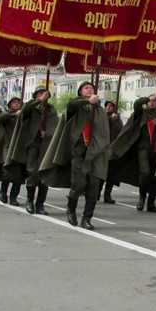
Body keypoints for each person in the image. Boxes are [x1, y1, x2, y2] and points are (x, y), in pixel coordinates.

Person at [40, 81, 110, 229]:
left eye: (91, 88)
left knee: (93, 187)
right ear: (80, 92)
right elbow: (71, 106)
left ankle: (87, 218)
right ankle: (71, 209)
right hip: (78, 150)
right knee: (78, 184)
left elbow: (103, 132)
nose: (89, 89)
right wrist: (86, 101)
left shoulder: (100, 110)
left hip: (95, 153)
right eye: (86, 88)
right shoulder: (77, 105)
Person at [109, 92, 156, 213]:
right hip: (143, 147)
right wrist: (150, 97)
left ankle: (151, 202)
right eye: (150, 101)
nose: (151, 103)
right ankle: (142, 198)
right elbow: (137, 104)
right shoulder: (141, 114)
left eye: (154, 101)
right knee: (144, 172)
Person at [6, 85, 59, 215]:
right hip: (33, 144)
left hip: (46, 144)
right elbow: (24, 111)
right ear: (35, 95)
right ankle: (30, 201)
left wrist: (47, 133)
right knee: (33, 173)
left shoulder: (51, 109)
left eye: (44, 93)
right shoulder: (31, 106)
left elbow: (55, 125)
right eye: (39, 93)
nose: (42, 95)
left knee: (44, 175)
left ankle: (40, 204)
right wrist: (39, 101)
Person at [101, 100, 124, 203]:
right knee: (99, 173)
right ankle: (95, 193)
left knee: (110, 174)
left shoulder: (118, 120)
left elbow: (120, 132)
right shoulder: (101, 116)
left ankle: (107, 194)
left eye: (111, 106)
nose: (109, 107)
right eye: (108, 105)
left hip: (113, 149)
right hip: (102, 149)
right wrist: (110, 119)